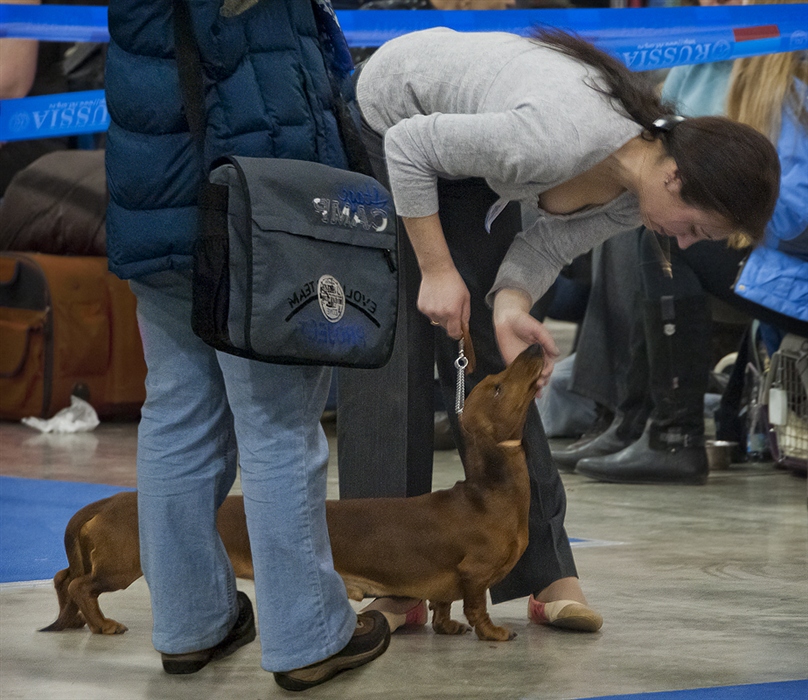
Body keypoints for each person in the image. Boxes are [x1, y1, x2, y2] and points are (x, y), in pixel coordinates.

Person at [337, 25, 779, 632]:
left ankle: (545, 566)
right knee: (396, 346)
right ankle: (394, 579)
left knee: (500, 371)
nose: (682, 242)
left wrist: (509, 304)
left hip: (462, 140)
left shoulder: (634, 191)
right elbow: (411, 148)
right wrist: (437, 269)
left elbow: (544, 246)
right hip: (391, 118)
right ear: (677, 178)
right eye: (695, 227)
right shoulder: (551, 139)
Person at [104, 0, 391, 691]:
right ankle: (306, 637)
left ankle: (189, 625)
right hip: (253, 213)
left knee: (176, 415)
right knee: (278, 426)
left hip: (156, 213)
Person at [573, 41, 808, 484]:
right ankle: (630, 420)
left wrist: (720, 205)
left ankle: (671, 434)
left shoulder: (791, 95)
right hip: (783, 260)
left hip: (794, 266)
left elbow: (793, 214)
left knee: (664, 241)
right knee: (645, 229)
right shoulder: (710, 67)